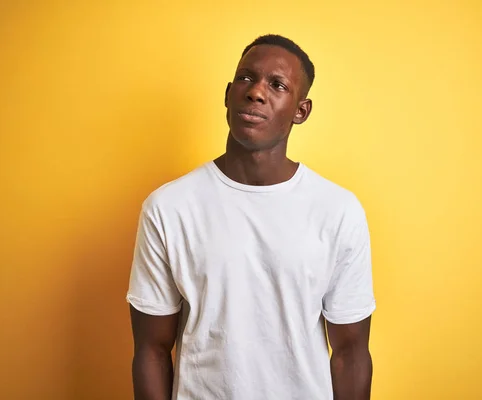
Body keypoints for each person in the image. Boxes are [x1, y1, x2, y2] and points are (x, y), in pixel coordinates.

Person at [127, 34, 376, 400]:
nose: (256, 92)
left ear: (301, 111)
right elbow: (151, 350)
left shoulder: (337, 210)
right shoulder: (169, 208)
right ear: (228, 93)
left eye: (277, 85)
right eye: (246, 78)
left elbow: (351, 352)